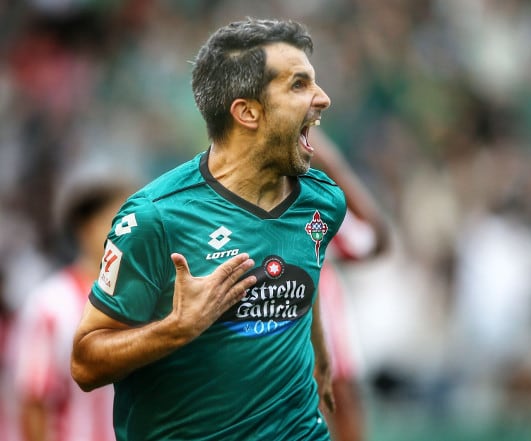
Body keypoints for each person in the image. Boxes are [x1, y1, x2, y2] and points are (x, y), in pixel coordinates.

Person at [70, 18, 345, 441]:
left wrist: (321, 350)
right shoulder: (153, 218)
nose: (322, 98)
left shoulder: (322, 200)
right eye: (298, 84)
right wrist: (175, 329)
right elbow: (85, 364)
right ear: (247, 111)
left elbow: (308, 265)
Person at [12, 170, 133, 441]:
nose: (132, 232)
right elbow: (34, 401)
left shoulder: (148, 299)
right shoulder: (51, 304)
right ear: (86, 227)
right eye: (120, 221)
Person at [311, 130, 390, 441]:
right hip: (281, 347)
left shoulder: (315, 212)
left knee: (340, 401)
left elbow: (375, 241)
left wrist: (334, 165)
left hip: (328, 340)